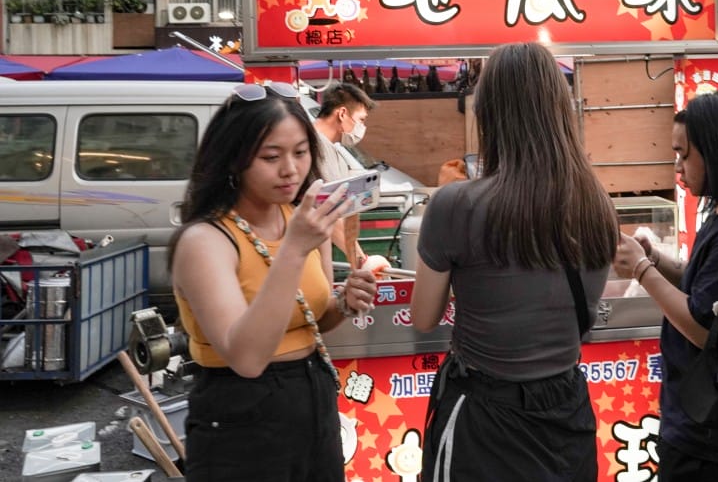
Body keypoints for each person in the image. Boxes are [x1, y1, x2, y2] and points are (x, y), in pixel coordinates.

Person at [411, 42, 617, 482]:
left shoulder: (456, 204)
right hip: (567, 415)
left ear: (488, 115)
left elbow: (424, 316)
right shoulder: (597, 204)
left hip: (484, 420)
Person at [169, 81, 378, 482]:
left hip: (311, 401)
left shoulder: (298, 217)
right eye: (271, 156)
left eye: (301, 152)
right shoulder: (206, 240)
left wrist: (345, 302)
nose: (291, 169)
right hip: (239, 417)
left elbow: (313, 317)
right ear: (234, 159)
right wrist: (295, 249)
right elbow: (246, 359)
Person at [613, 91, 718, 480]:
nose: (678, 166)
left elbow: (702, 328)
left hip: (710, 433)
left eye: (684, 153)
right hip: (697, 420)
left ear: (716, 150)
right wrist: (656, 259)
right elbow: (700, 287)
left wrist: (642, 270)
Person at [312, 82, 376, 264]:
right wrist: (361, 261)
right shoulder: (316, 146)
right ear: (342, 114)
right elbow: (328, 210)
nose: (362, 127)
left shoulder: (335, 149)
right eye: (361, 120)